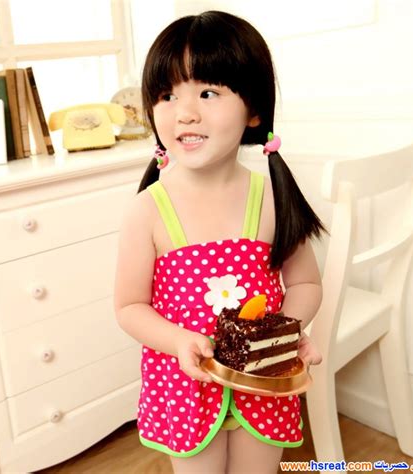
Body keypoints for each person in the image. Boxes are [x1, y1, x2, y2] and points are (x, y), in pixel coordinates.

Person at [114, 10, 326, 474]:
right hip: (185, 389)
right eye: (167, 95)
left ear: (254, 111)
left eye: (208, 93)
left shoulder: (271, 199)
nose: (185, 112)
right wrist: (178, 340)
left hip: (262, 386)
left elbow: (306, 283)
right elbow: (129, 307)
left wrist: (286, 335)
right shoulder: (148, 210)